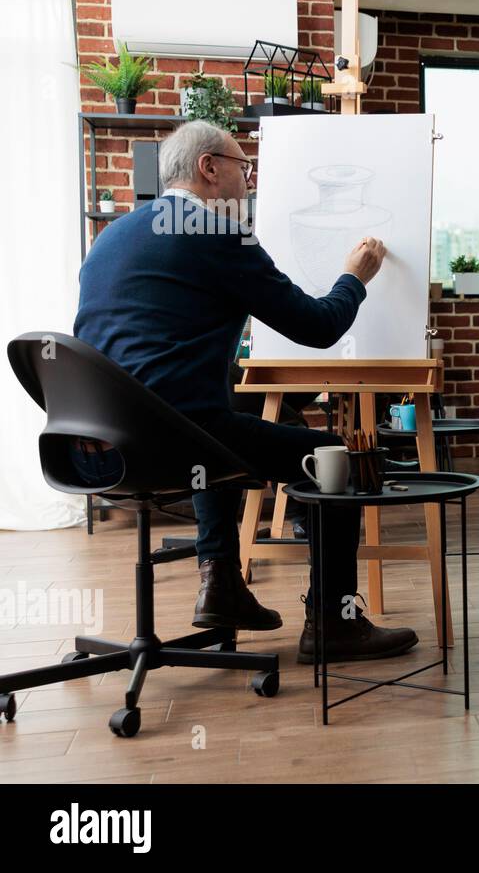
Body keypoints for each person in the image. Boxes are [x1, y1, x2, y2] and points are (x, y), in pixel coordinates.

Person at [73, 119, 419, 663]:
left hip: (93, 451)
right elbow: (318, 326)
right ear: (210, 168)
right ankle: (335, 622)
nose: (250, 181)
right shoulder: (217, 232)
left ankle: (221, 584)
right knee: (330, 457)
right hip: (170, 444)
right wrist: (355, 276)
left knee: (225, 414)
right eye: (243, 167)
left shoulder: (112, 236)